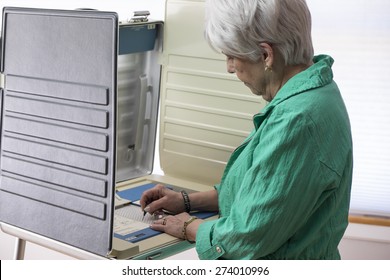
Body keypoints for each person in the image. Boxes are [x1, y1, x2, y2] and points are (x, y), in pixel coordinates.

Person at [140, 0, 353, 260]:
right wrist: (187, 201)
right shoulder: (314, 92)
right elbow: (263, 194)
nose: (229, 68)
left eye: (231, 56)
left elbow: (245, 237)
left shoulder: (297, 120)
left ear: (266, 55)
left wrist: (187, 226)